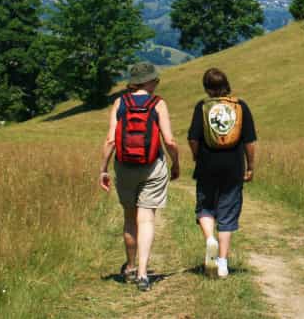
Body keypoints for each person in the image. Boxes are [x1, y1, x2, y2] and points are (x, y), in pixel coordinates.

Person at [98, 62, 180, 292]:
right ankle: (143, 274)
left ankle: (131, 267)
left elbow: (111, 140)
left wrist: (103, 169)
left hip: (124, 168)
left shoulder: (120, 102)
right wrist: (176, 163)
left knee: (129, 219)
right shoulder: (158, 104)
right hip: (153, 166)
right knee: (146, 220)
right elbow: (170, 141)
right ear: (150, 81)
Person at [188, 68, 257, 278]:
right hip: (233, 166)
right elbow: (250, 140)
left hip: (207, 165)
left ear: (207, 88)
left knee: (206, 206)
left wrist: (196, 156)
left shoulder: (202, 107)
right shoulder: (240, 106)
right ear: (227, 84)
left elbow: (193, 138)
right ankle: (223, 263)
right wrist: (250, 165)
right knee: (227, 212)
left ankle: (210, 238)